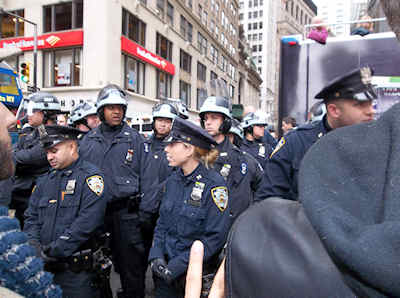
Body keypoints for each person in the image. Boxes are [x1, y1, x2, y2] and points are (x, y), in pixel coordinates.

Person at [260, 67, 376, 201]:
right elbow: (268, 202)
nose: (370, 111)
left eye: (371, 103)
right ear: (334, 110)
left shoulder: (381, 144)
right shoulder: (296, 143)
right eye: (361, 105)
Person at [148, 117, 230, 298]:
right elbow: (161, 224)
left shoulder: (214, 185)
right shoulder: (172, 181)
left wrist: (176, 266)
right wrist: (156, 257)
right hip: (165, 275)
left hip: (193, 277)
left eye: (172, 145)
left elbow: (215, 237)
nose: (166, 149)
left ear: (189, 149)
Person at [23, 125, 106, 297]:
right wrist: (33, 245)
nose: (49, 157)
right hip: (44, 269)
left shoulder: (91, 178)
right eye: (47, 152)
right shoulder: (44, 181)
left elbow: (87, 223)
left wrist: (52, 251)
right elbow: (31, 218)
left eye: (54, 150)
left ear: (72, 146)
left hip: (76, 274)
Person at [79, 84, 145, 298]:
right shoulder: (88, 141)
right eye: (111, 108)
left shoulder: (135, 139)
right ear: (101, 111)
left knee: (131, 268)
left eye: (120, 107)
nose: (116, 111)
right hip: (95, 214)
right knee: (96, 266)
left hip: (127, 215)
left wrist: (143, 215)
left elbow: (148, 179)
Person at [200, 96, 264, 222]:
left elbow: (263, 188)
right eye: (206, 118)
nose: (208, 122)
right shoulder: (196, 155)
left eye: (214, 118)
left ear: (226, 122)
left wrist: (252, 216)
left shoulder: (244, 159)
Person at [10, 92, 61, 226]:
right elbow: (14, 152)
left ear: (45, 114)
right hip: (20, 195)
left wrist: (18, 157)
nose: (28, 115)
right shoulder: (32, 134)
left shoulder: (54, 135)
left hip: (36, 197)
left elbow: (31, 157)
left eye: (33, 111)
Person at [139, 103, 178, 280]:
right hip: (145, 209)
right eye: (160, 120)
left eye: (167, 121)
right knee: (139, 253)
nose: (163, 125)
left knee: (162, 254)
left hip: (167, 210)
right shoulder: (144, 144)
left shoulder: (178, 147)